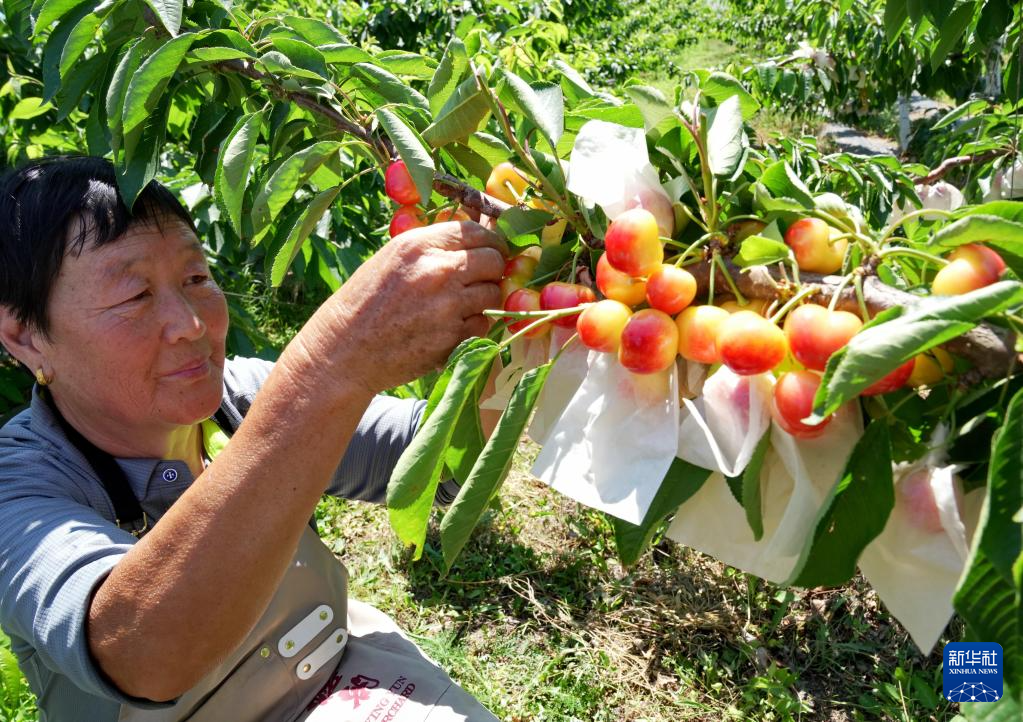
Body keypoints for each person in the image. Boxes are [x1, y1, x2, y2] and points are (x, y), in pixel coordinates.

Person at [0, 156, 507, 721]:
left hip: (332, 675)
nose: (192, 324)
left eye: (196, 279)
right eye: (134, 296)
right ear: (25, 337)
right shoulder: (17, 487)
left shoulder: (236, 397)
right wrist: (329, 368)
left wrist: (516, 332)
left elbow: (436, 461)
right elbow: (141, 655)